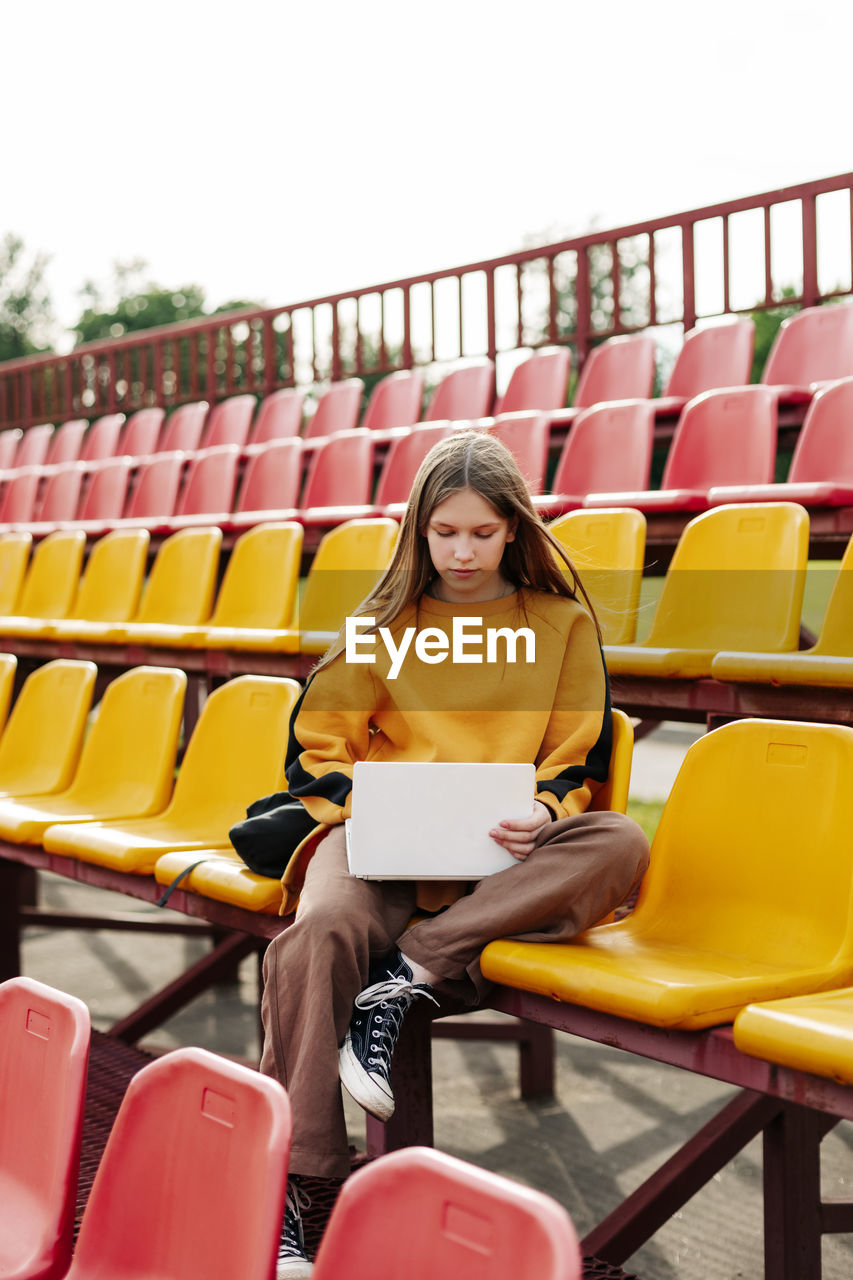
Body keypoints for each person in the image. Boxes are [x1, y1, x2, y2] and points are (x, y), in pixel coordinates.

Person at [260, 430, 649, 1277]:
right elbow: (314, 748)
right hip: (378, 843)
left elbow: (576, 754)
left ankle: (408, 972)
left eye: (481, 531)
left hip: (494, 862)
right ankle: (304, 1188)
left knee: (618, 838)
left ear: (513, 528)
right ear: (418, 531)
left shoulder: (559, 624)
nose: (462, 551)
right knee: (318, 932)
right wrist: (372, 804)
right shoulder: (382, 624)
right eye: (445, 532)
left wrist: (545, 812)